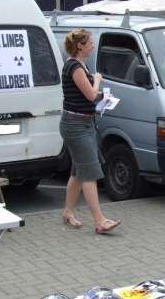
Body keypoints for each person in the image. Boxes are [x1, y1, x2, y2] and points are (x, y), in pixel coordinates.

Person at [59, 28, 121, 233]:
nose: (93, 45)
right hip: (75, 125)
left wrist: (103, 96)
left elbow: (88, 96)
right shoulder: (75, 66)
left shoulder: (80, 65)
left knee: (78, 170)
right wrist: (97, 81)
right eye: (90, 42)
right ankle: (99, 221)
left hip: (84, 123)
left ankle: (67, 212)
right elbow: (90, 95)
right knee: (89, 172)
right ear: (80, 45)